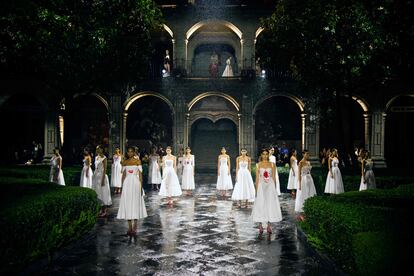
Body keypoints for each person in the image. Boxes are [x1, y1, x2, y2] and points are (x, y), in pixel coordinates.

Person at [117, 146, 147, 237]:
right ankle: (129, 227)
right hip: (127, 184)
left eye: (131, 152)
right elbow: (123, 175)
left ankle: (134, 226)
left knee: (135, 203)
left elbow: (140, 175)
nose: (129, 153)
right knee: (128, 204)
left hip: (135, 184)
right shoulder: (125, 162)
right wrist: (122, 187)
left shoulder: (138, 161)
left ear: (134, 152)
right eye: (128, 152)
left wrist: (141, 187)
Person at [251, 148, 282, 237]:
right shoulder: (258, 165)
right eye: (263, 154)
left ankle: (268, 225)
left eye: (266, 154)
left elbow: (274, 178)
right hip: (261, 186)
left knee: (269, 204)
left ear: (268, 155)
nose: (265, 155)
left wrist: (275, 189)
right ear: (261, 155)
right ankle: (260, 224)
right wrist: (256, 190)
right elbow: (257, 178)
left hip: (270, 186)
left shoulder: (272, 164)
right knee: (261, 204)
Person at [295, 150, 317, 214]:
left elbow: (309, 171)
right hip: (303, 179)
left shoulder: (308, 162)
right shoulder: (300, 163)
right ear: (303, 154)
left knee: (310, 192)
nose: (308, 155)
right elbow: (299, 174)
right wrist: (299, 184)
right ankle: (303, 211)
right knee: (303, 193)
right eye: (306, 154)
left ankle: (309, 208)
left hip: (309, 178)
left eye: (308, 154)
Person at [93, 145, 112, 217]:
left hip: (102, 176)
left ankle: (105, 210)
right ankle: (100, 209)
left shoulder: (104, 158)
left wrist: (103, 179)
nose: (98, 150)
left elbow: (105, 169)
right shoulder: (96, 157)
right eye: (97, 149)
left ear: (102, 150)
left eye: (99, 149)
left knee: (103, 192)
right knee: (98, 192)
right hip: (96, 176)